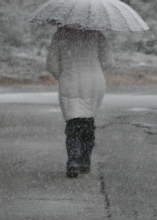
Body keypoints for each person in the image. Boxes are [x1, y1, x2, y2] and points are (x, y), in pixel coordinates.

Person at [46, 26, 114, 178]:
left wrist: (65, 75)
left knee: (73, 121)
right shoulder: (97, 34)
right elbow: (109, 62)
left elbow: (51, 64)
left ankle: (74, 160)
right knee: (88, 119)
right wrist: (93, 71)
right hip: (94, 82)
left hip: (69, 81)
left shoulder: (61, 34)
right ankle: (85, 162)